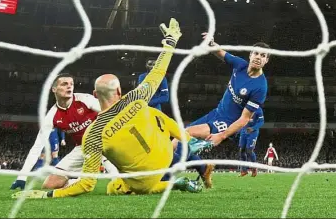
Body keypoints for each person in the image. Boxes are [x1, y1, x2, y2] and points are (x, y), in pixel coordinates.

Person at [13, 18, 208, 199]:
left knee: (115, 187)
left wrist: (46, 195)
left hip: (131, 168)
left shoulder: (93, 132)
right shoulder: (135, 98)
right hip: (164, 153)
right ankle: (188, 142)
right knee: (154, 112)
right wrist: (171, 41)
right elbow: (158, 72)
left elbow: (87, 185)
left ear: (95, 95)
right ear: (120, 90)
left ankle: (175, 179)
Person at [175, 33, 269, 187]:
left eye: (263, 55)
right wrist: (211, 43)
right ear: (251, 54)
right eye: (256, 53)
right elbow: (221, 53)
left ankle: (164, 176)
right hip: (216, 113)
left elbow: (244, 119)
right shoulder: (241, 65)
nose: (259, 57)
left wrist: (222, 136)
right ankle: (204, 168)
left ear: (266, 60)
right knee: (178, 139)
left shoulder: (260, 87)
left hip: (226, 123)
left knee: (186, 134)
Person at [10, 73, 118, 191]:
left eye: (71, 84)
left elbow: (112, 113)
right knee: (49, 186)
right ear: (54, 89)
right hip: (82, 147)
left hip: (105, 141)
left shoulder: (85, 100)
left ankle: (116, 175)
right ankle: (80, 181)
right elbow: (37, 147)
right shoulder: (52, 116)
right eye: (64, 84)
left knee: (118, 182)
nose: (69, 87)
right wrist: (22, 177)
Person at [238, 108, 264, 177]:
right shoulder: (244, 108)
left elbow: (261, 122)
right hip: (244, 131)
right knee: (242, 151)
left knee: (249, 151)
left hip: (253, 132)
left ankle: (254, 168)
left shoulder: (258, 109)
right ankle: (244, 170)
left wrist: (253, 128)